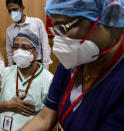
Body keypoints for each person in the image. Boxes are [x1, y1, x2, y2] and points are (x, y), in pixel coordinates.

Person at [21, 0, 124, 131]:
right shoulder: (74, 61)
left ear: (107, 18)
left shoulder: (119, 81)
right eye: (55, 29)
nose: (58, 40)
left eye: (63, 28)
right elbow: (45, 117)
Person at [0, 29, 53, 131]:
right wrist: (8, 105)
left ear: (37, 50)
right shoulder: (4, 73)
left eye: (25, 47)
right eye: (15, 47)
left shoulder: (48, 79)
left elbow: (50, 119)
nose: (19, 51)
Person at [5, 0, 52, 70]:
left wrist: (46, 68)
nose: (12, 13)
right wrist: (10, 69)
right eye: (10, 11)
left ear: (22, 8)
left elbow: (45, 46)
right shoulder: (9, 30)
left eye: (15, 9)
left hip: (35, 64)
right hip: (17, 66)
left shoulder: (37, 23)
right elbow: (9, 52)